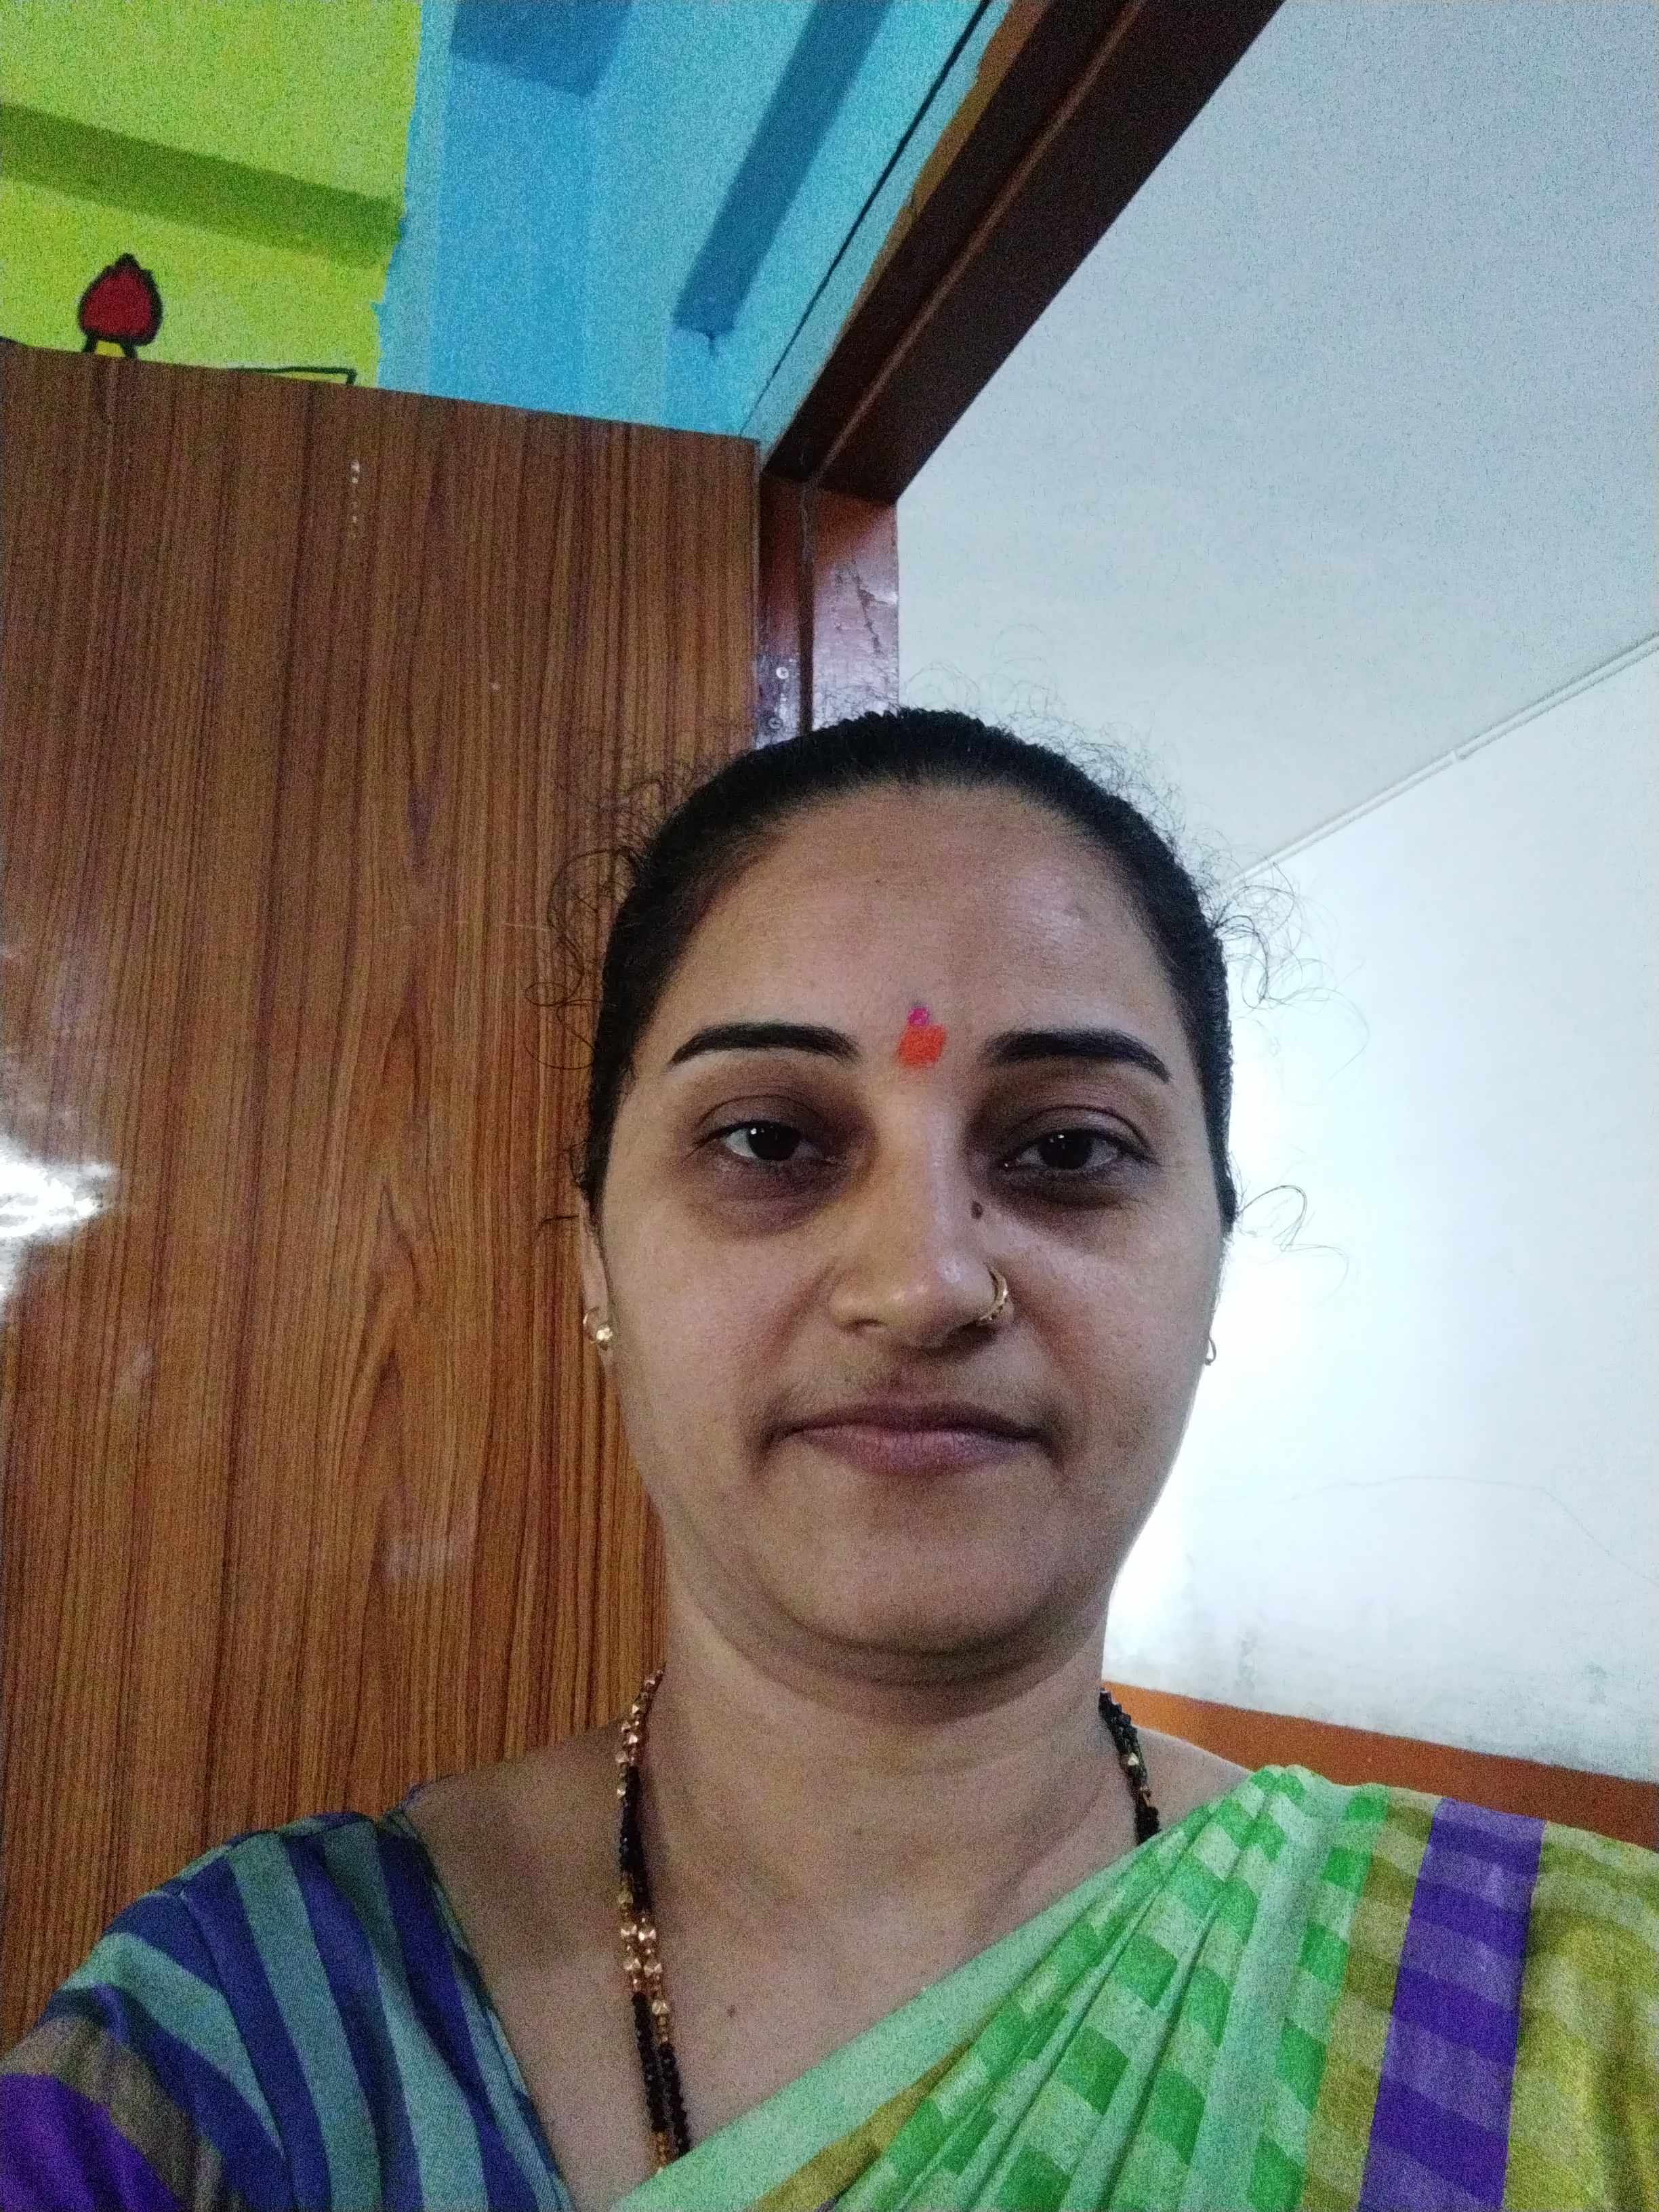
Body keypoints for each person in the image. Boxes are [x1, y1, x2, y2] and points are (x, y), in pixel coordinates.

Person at [3, 710, 1654, 2211]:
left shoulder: (1575, 2017)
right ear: (597, 1259)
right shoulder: (228, 2062)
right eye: (770, 1141)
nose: (925, 1284)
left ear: (1214, 1262)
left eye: (1069, 1149)